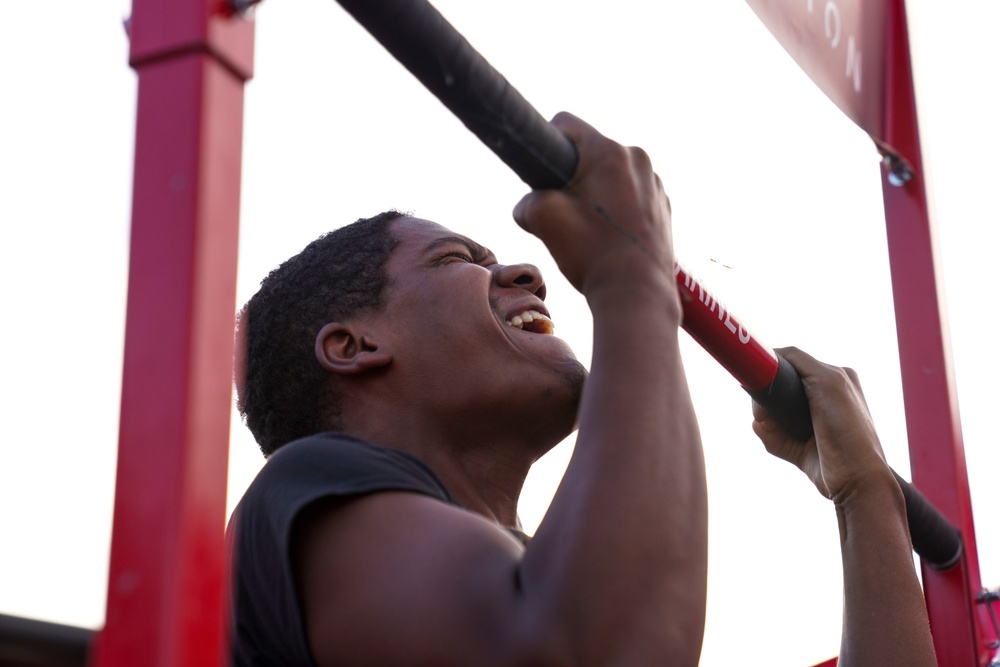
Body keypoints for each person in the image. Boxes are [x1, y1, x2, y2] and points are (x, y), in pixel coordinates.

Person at [227, 113, 935, 666]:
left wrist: (865, 493)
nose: (524, 274)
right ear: (353, 346)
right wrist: (633, 281)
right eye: (456, 260)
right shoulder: (299, 493)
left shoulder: (558, 578)